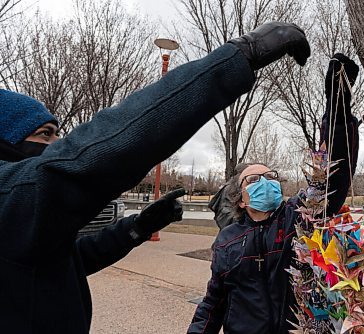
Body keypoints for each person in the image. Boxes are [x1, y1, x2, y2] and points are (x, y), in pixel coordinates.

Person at [0, 22, 311, 333]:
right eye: (45, 135)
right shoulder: (9, 194)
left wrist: (136, 228)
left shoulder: (24, 228)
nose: (56, 145)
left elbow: (72, 262)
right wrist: (239, 57)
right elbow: (107, 144)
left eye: (58, 134)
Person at [188, 53, 359, 334]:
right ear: (241, 199)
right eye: (254, 179)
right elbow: (214, 301)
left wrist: (337, 109)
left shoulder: (297, 217)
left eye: (270, 177)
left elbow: (331, 180)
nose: (266, 182)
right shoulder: (227, 241)